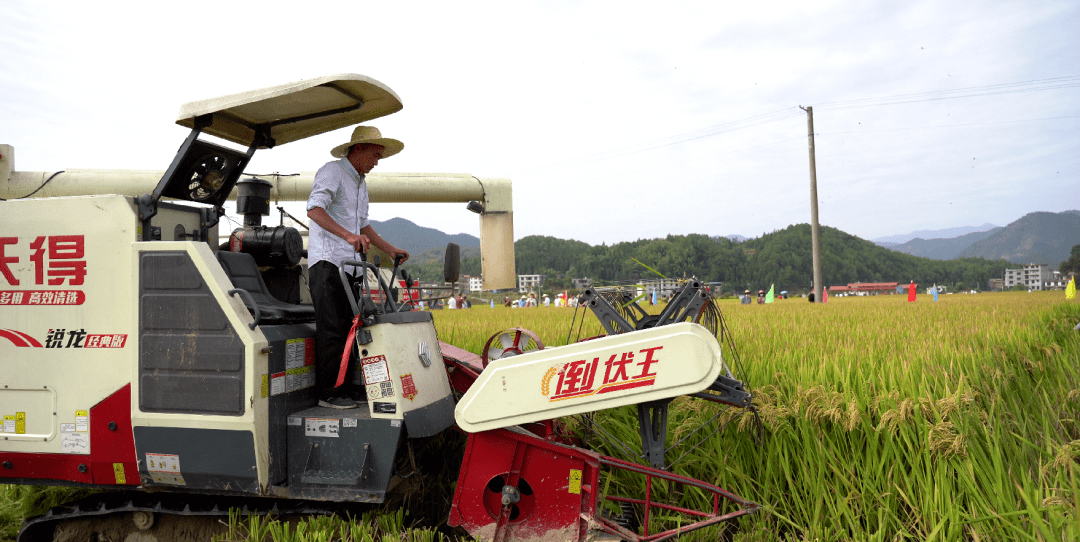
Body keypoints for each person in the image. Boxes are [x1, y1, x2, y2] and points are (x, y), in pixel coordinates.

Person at [306, 126, 409, 410]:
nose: (377, 162)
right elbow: (314, 209)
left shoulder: (361, 183)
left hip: (351, 267)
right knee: (333, 329)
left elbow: (362, 225)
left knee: (352, 329)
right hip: (327, 262)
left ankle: (346, 389)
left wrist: (389, 249)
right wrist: (347, 236)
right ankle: (329, 394)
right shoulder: (332, 171)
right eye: (375, 155)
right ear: (358, 148)